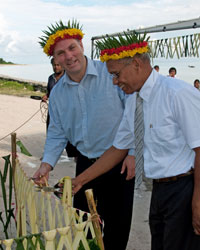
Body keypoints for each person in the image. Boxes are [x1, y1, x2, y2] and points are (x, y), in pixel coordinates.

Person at [72, 31, 200, 250]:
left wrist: (198, 201)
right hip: (158, 191)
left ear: (136, 64)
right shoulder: (135, 101)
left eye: (116, 74)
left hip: (185, 189)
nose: (114, 81)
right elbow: (118, 148)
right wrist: (80, 180)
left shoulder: (177, 93)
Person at [33, 20, 135, 250]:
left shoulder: (110, 75)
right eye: (61, 53)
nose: (68, 56)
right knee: (82, 228)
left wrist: (134, 153)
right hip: (85, 164)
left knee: (117, 229)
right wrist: (46, 164)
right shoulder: (58, 92)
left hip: (119, 164)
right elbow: (57, 131)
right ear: (55, 59)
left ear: (81, 45)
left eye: (72, 48)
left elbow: (133, 114)